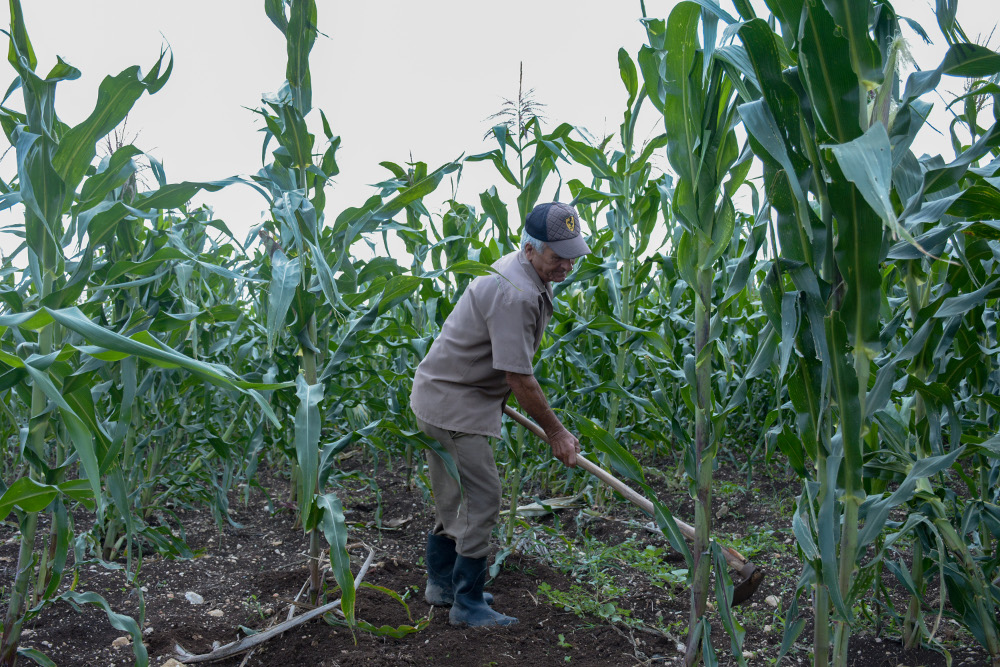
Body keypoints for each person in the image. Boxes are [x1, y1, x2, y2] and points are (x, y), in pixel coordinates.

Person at [410, 201, 591, 627]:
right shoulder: (518, 292)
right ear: (530, 249)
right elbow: (520, 378)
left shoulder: (523, 269)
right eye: (557, 256)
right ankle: (467, 604)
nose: (566, 265)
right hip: (453, 405)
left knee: (454, 498)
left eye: (572, 255)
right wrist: (558, 433)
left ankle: (442, 586)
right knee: (483, 500)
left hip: (450, 393)